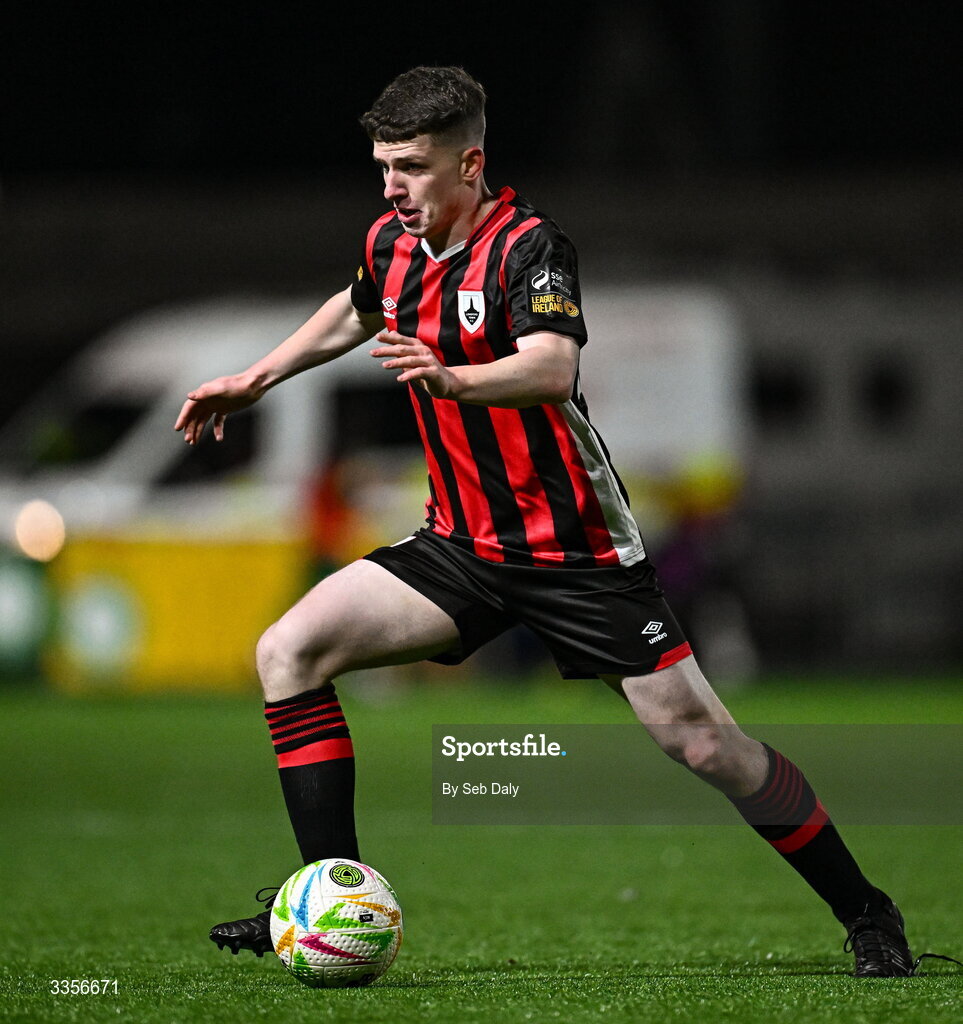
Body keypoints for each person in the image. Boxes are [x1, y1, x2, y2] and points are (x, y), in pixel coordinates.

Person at [175, 66, 916, 977]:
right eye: (382, 167)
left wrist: (449, 377)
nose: (391, 187)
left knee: (705, 747)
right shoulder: (390, 241)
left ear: (470, 162)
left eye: (410, 167)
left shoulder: (532, 247)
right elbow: (355, 306)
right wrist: (256, 377)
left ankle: (867, 911)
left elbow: (550, 368)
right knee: (288, 652)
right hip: (461, 546)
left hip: (578, 555)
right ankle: (327, 898)